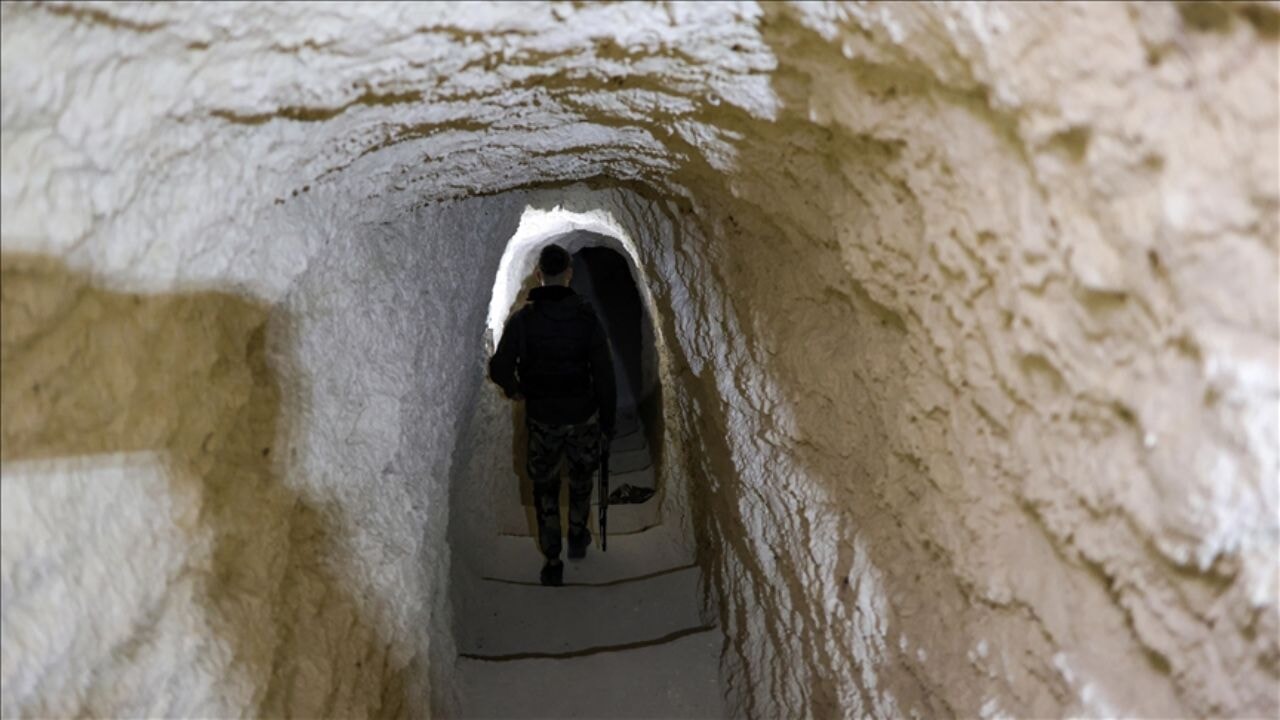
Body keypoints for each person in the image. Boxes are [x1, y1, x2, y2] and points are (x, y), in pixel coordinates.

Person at [489, 244, 616, 587]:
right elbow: (604, 374)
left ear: (538, 274)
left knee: (545, 487)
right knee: (581, 479)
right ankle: (577, 536)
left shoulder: (523, 321)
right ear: (569, 274)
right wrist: (607, 421)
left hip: (543, 416)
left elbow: (500, 367)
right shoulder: (587, 319)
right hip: (582, 415)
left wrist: (516, 389)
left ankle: (552, 560)